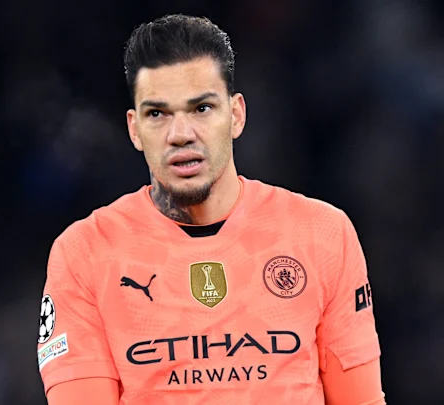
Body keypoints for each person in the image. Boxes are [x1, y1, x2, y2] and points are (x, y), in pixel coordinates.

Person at [36, 14, 385, 405]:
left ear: (236, 115)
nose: (181, 134)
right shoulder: (87, 252)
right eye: (157, 114)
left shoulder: (322, 234)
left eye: (201, 108)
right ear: (134, 129)